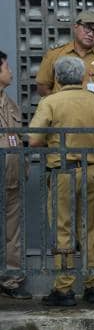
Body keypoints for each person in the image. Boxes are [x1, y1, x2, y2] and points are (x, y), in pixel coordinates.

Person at [28, 56, 94, 306]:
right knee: (92, 228)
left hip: (62, 171)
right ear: (83, 77)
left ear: (56, 78)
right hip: (92, 170)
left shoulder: (50, 102)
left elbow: (34, 140)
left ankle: (64, 289)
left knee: (62, 228)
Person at [0, 50, 29, 299]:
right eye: (6, 68)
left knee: (13, 232)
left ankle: (12, 280)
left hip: (11, 178)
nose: (10, 72)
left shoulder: (9, 103)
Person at [35, 10, 94, 98]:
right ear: (75, 27)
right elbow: (42, 87)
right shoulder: (55, 54)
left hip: (92, 110)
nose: (91, 34)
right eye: (87, 28)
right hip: (63, 109)